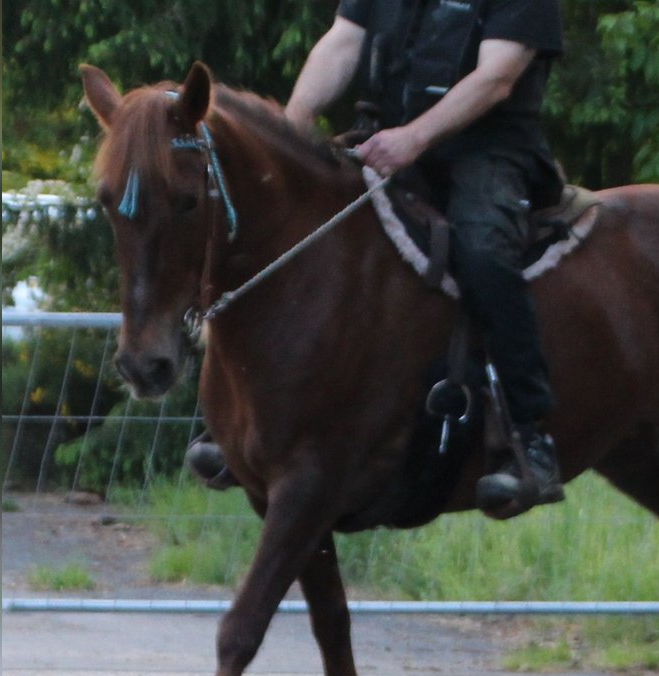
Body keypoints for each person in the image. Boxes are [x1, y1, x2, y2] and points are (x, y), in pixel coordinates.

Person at [190, 0, 565, 514]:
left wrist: (415, 138)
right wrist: (294, 123)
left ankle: (528, 437)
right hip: (383, 139)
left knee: (484, 256)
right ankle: (242, 422)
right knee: (280, 229)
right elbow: (343, 40)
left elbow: (496, 79)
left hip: (487, 153)